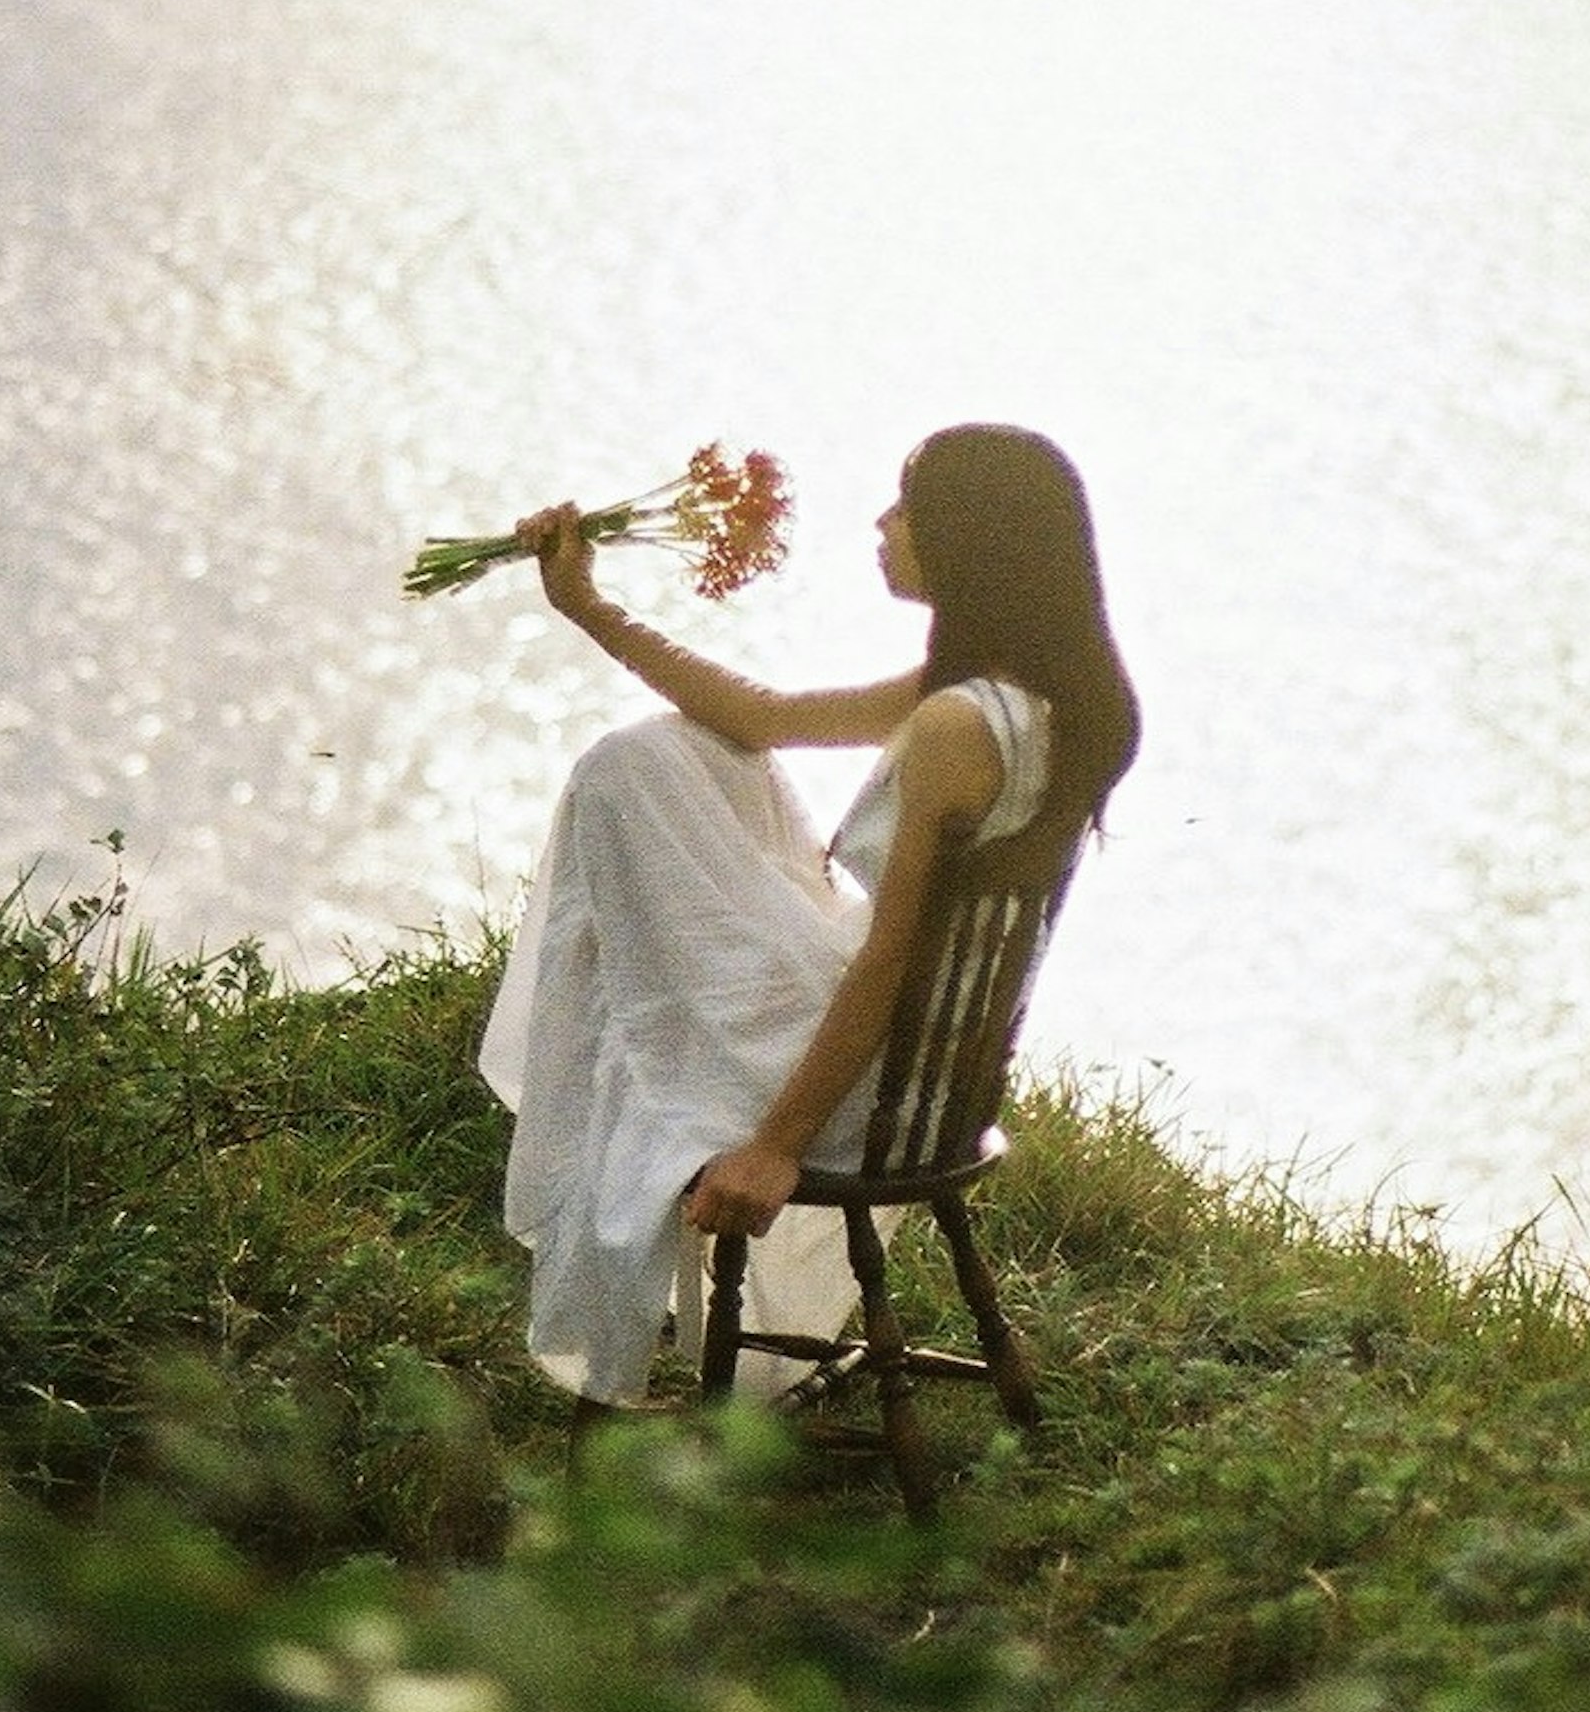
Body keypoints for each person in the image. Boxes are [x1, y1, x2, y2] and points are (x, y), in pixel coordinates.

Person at [475, 423, 1139, 1406]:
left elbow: (891, 964)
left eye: (906, 508)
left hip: (873, 1089)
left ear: (969, 537)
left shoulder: (960, 725)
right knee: (659, 753)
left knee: (624, 788)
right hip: (943, 1078)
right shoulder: (1043, 700)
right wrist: (589, 607)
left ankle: (604, 1162)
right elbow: (764, 718)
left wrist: (776, 1143)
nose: (882, 523)